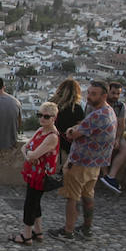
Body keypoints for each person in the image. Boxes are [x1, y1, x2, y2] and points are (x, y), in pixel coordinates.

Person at [50, 81, 114, 242]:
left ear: (103, 96)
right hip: (96, 163)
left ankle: (68, 230)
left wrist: (71, 130)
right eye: (89, 93)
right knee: (88, 195)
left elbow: (73, 134)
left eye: (94, 94)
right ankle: (86, 228)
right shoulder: (110, 112)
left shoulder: (96, 115)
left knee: (72, 197)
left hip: (80, 162)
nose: (89, 97)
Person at [14, 101, 60, 245]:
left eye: (46, 116)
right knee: (35, 202)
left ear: (54, 118)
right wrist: (30, 154)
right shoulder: (40, 131)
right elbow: (25, 148)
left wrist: (30, 154)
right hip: (34, 173)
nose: (42, 119)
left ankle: (26, 235)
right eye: (40, 115)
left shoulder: (52, 136)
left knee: (30, 203)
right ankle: (38, 231)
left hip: (41, 176)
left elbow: (32, 154)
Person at [98, 81, 126, 193]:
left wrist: (117, 138)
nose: (115, 96)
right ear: (107, 92)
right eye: (113, 93)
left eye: (118, 93)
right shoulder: (99, 103)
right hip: (100, 134)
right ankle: (105, 174)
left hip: (115, 134)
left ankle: (111, 176)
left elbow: (121, 124)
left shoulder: (121, 106)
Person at [50, 79, 85, 158]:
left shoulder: (51, 104)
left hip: (50, 141)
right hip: (67, 145)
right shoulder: (76, 108)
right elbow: (81, 127)